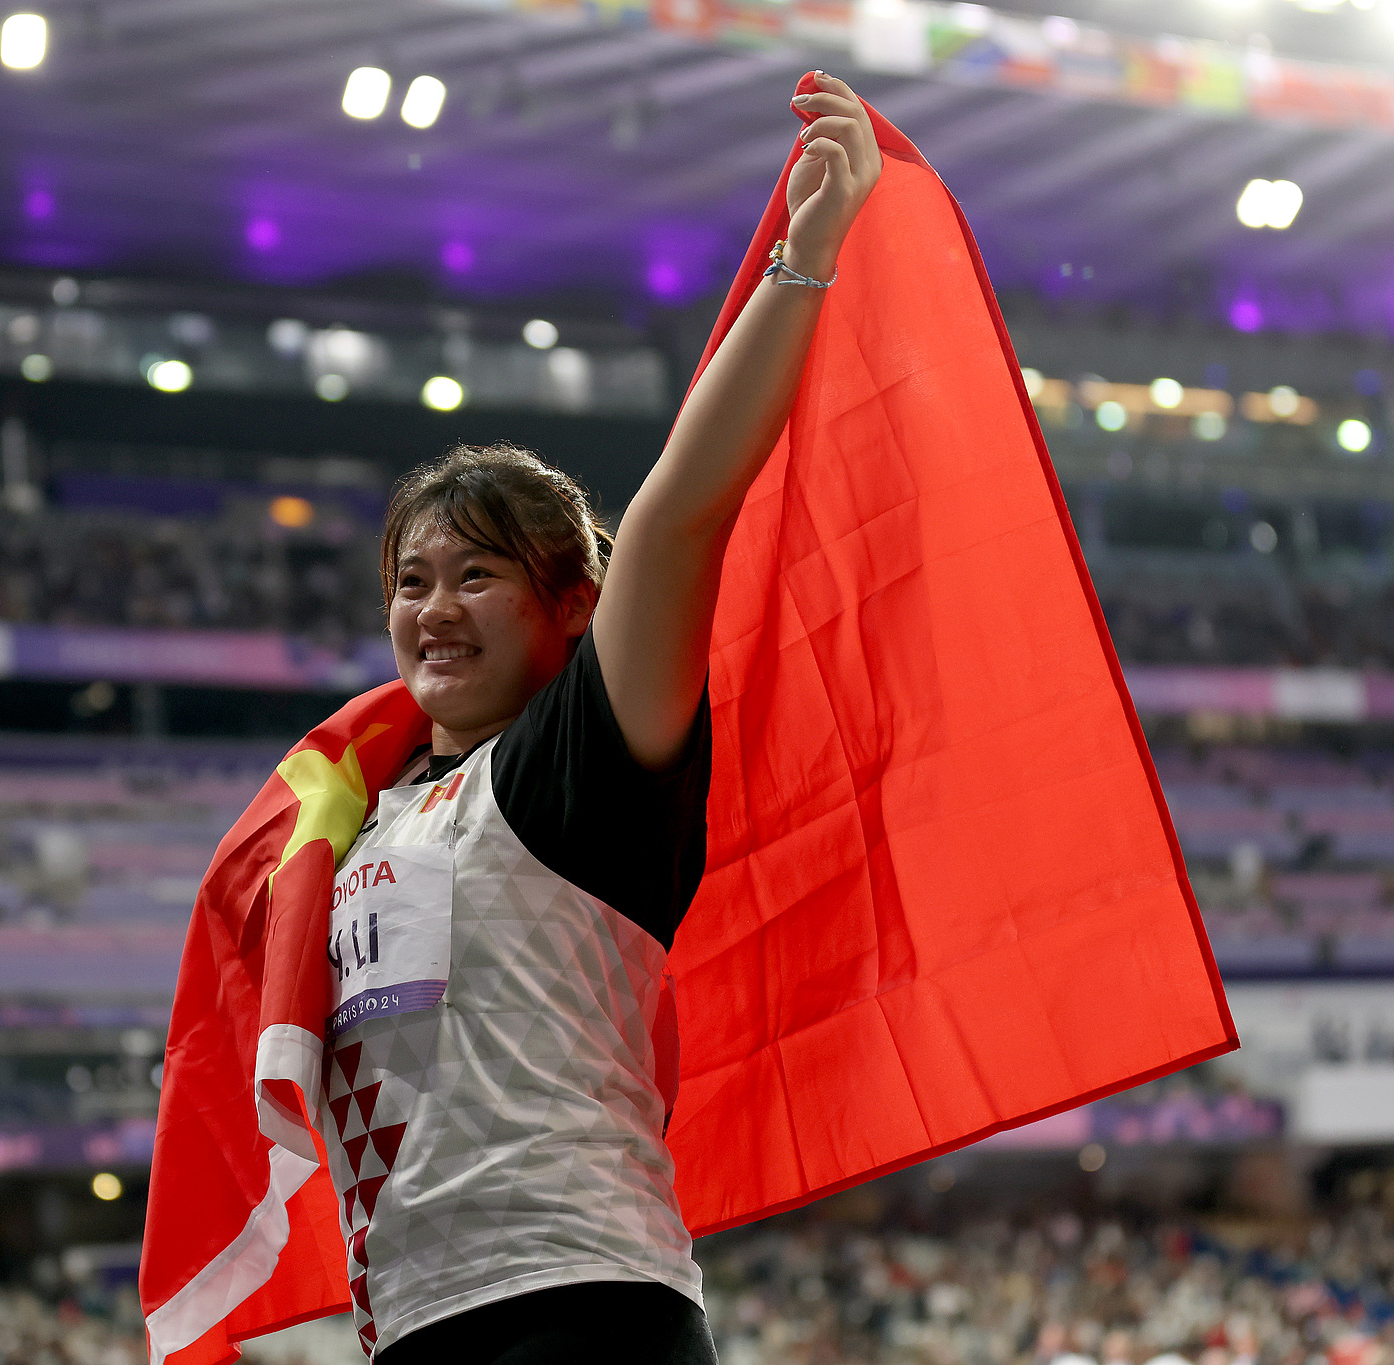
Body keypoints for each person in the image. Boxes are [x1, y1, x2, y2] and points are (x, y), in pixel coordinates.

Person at [315, 72, 884, 1365]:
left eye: (476, 576)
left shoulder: (580, 760)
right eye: (411, 580)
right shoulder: (357, 809)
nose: (434, 610)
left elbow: (683, 510)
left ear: (569, 606)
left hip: (581, 1300)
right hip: (409, 1320)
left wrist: (804, 262)